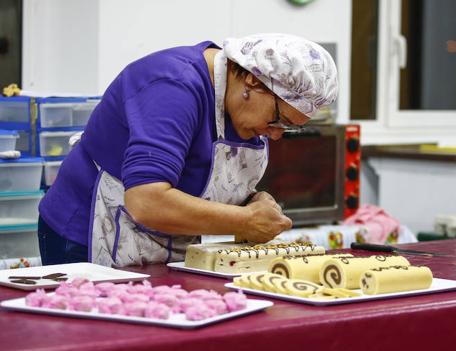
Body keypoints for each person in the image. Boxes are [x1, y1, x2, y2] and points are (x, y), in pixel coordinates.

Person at [37, 33, 338, 267]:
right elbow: (146, 201)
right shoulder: (173, 86)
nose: (275, 135)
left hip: (169, 241)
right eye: (278, 120)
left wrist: (253, 200)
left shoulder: (244, 107)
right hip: (88, 234)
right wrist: (245, 220)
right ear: (253, 80)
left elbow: (206, 176)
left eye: (288, 128)